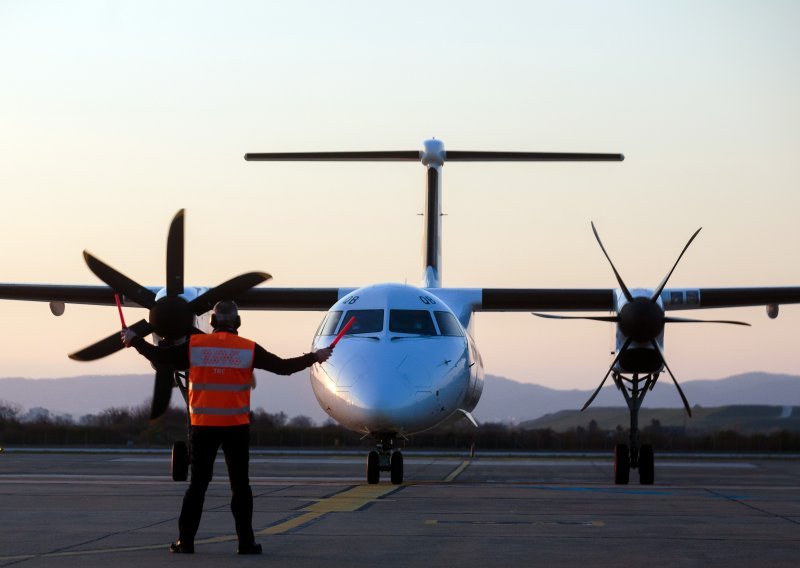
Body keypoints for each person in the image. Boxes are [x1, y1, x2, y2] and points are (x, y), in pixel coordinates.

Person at [121, 300, 333, 555]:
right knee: (241, 487)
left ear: (211, 323)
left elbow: (161, 357)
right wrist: (315, 357)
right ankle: (246, 543)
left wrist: (134, 340)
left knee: (197, 486)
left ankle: (185, 542)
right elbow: (283, 367)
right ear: (238, 323)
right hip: (236, 428)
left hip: (202, 428)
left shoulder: (195, 346)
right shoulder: (247, 349)